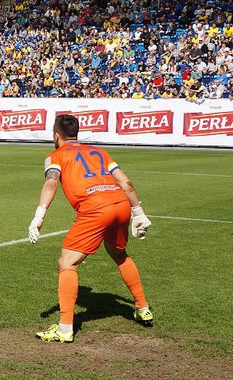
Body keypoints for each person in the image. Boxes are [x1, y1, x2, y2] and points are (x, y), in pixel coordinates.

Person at [28, 114, 153, 343]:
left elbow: (51, 181)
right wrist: (139, 213)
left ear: (56, 135)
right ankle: (142, 307)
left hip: (95, 208)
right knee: (119, 254)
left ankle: (65, 327)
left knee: (67, 263)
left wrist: (39, 215)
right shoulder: (99, 152)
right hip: (120, 204)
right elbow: (126, 182)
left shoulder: (56, 155)